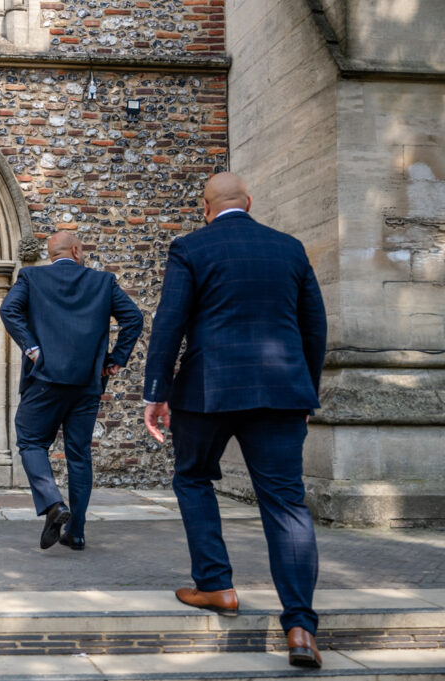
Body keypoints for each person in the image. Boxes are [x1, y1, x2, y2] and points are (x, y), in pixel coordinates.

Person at [142, 172, 327, 669]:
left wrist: (156, 393)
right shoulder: (290, 248)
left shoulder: (191, 248)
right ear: (249, 202)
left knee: (193, 478)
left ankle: (217, 586)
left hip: (209, 390)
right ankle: (300, 629)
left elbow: (170, 322)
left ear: (205, 207)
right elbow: (315, 325)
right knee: (287, 504)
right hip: (281, 392)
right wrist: (304, 391)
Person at [0, 231, 143, 551]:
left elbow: (8, 311)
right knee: (79, 454)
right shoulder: (103, 282)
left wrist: (32, 347)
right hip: (87, 383)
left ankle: (53, 503)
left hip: (45, 380)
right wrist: (115, 360)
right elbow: (133, 318)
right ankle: (76, 532)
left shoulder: (31, 277)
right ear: (77, 250)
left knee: (30, 439)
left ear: (51, 254)